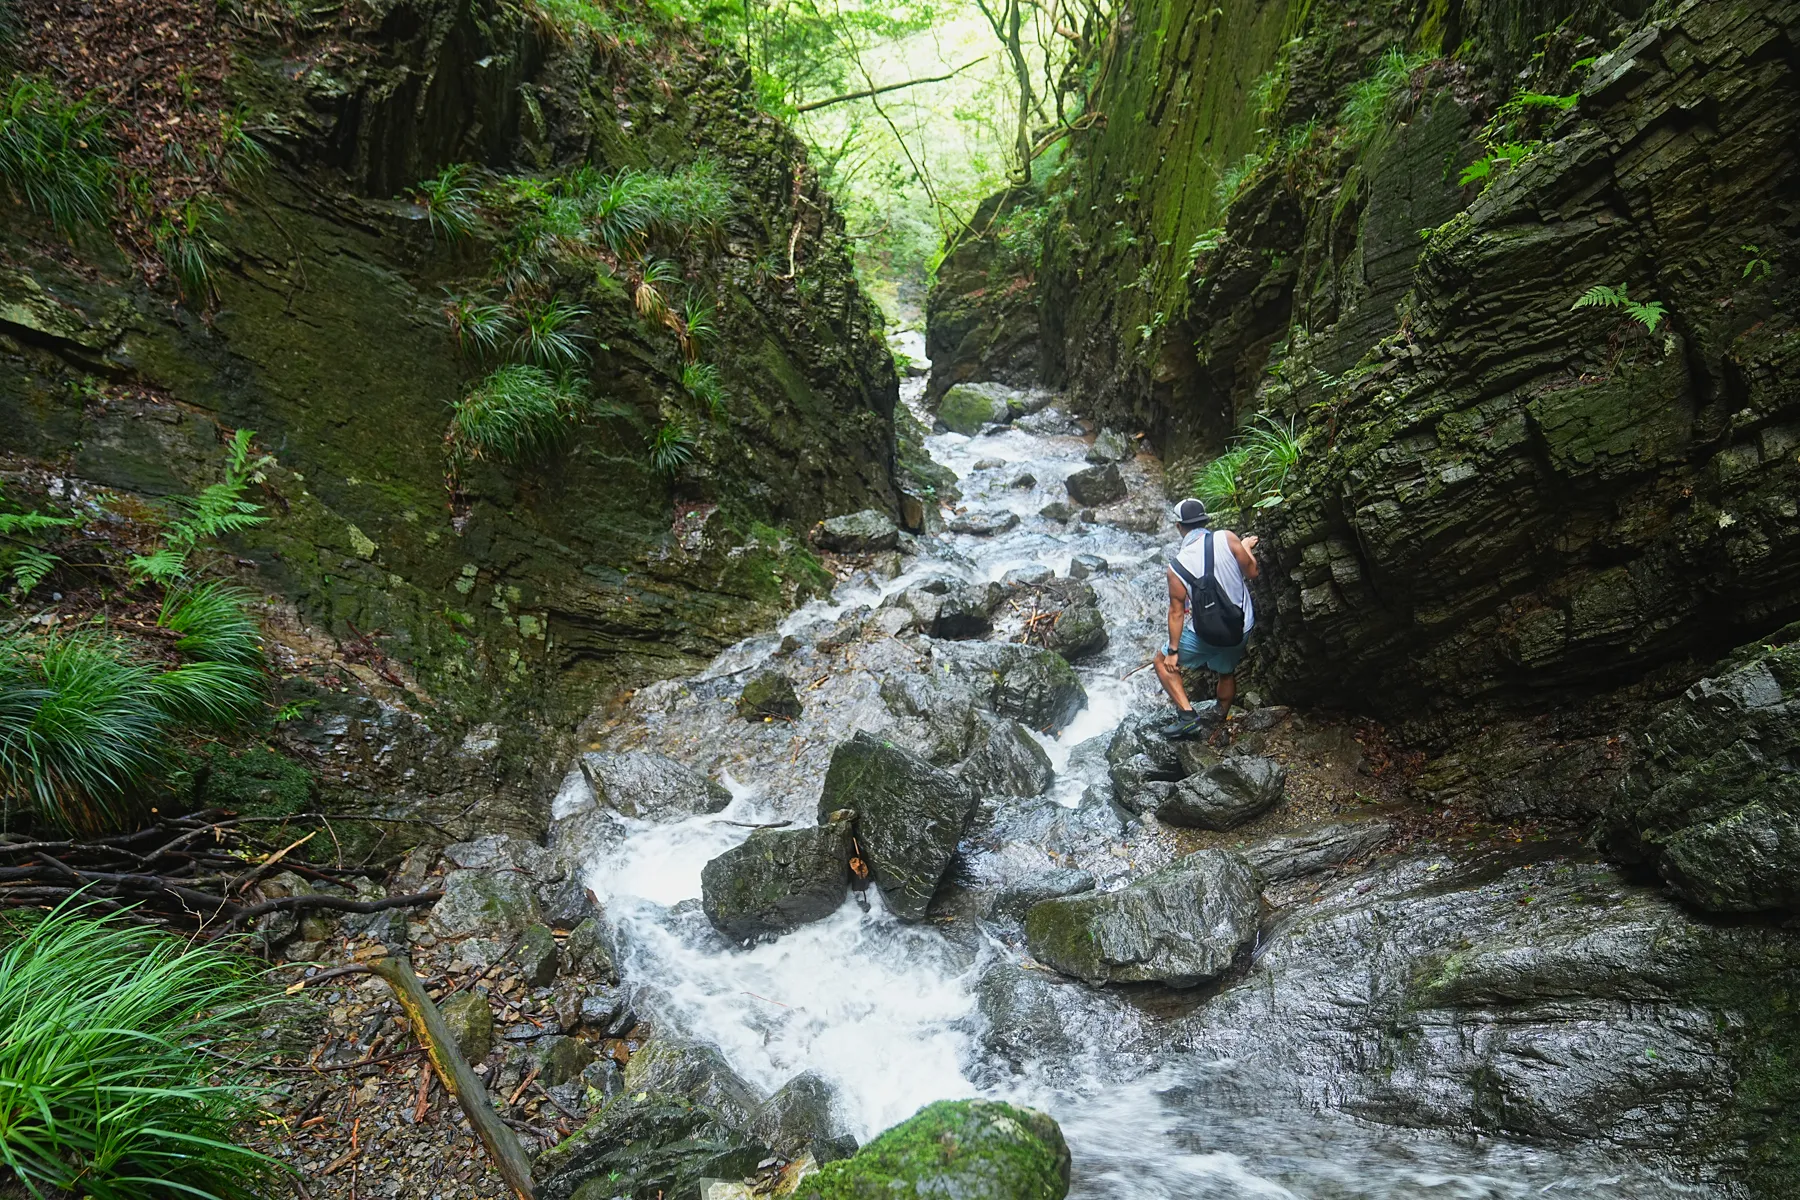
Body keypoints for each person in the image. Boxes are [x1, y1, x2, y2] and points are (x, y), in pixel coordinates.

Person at [1154, 497, 1259, 738]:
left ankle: (1188, 716)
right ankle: (1221, 714)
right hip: (1240, 627)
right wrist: (1245, 548)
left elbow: (1177, 612)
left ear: (1180, 527)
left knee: (1160, 662)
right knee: (1226, 671)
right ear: (1205, 521)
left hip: (1207, 634)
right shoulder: (1228, 538)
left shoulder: (1177, 566)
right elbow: (1252, 572)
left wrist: (1172, 651)